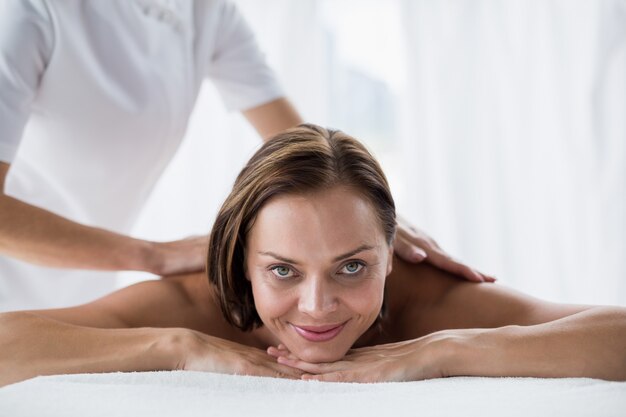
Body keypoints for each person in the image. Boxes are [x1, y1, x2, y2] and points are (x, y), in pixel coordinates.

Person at [1, 124, 624, 387]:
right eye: (282, 270)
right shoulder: (197, 307)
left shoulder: (425, 304)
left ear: (392, 255)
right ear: (241, 261)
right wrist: (175, 347)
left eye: (353, 266)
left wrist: (444, 351)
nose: (318, 306)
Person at [0, 0, 490, 312]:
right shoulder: (28, 12)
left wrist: (373, 222)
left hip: (79, 285)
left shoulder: (204, 12)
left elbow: (302, 147)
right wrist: (154, 255)